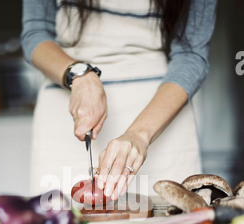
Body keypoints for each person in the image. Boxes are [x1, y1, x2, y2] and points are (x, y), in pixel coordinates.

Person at [21, 0, 217, 200]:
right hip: (63, 123)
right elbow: (35, 33)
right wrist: (78, 74)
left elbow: (191, 54)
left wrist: (139, 135)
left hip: (161, 118)